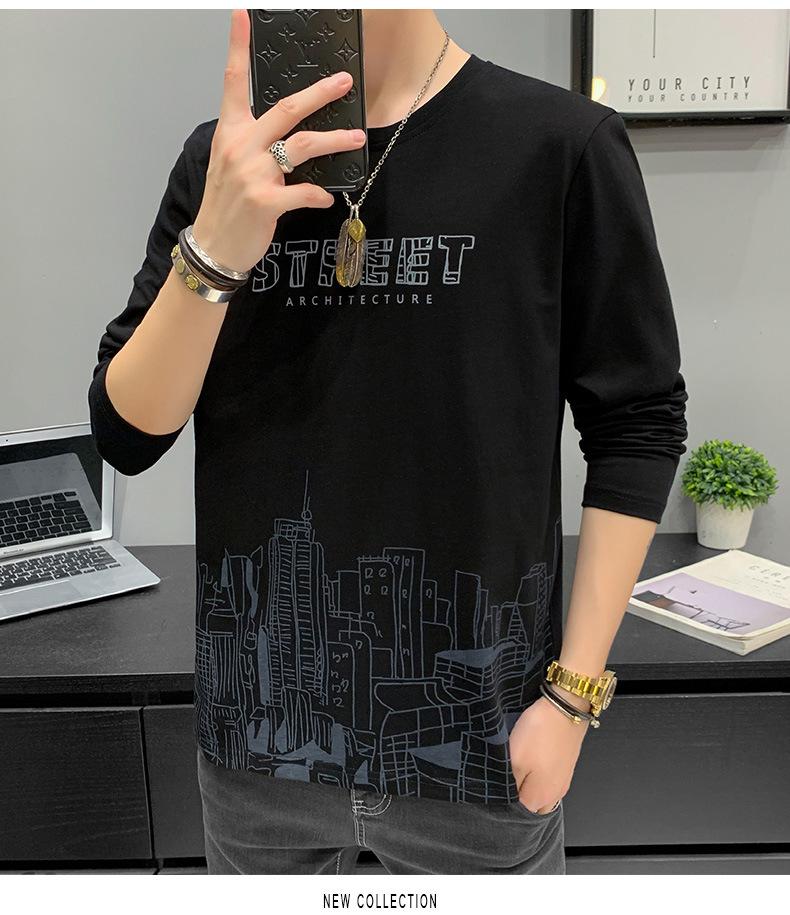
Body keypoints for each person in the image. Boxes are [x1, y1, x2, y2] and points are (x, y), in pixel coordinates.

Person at [88, 9, 688, 875]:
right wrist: (214, 250)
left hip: (482, 757)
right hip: (256, 761)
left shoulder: (559, 145)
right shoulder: (224, 162)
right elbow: (126, 432)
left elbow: (636, 420)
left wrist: (573, 698)